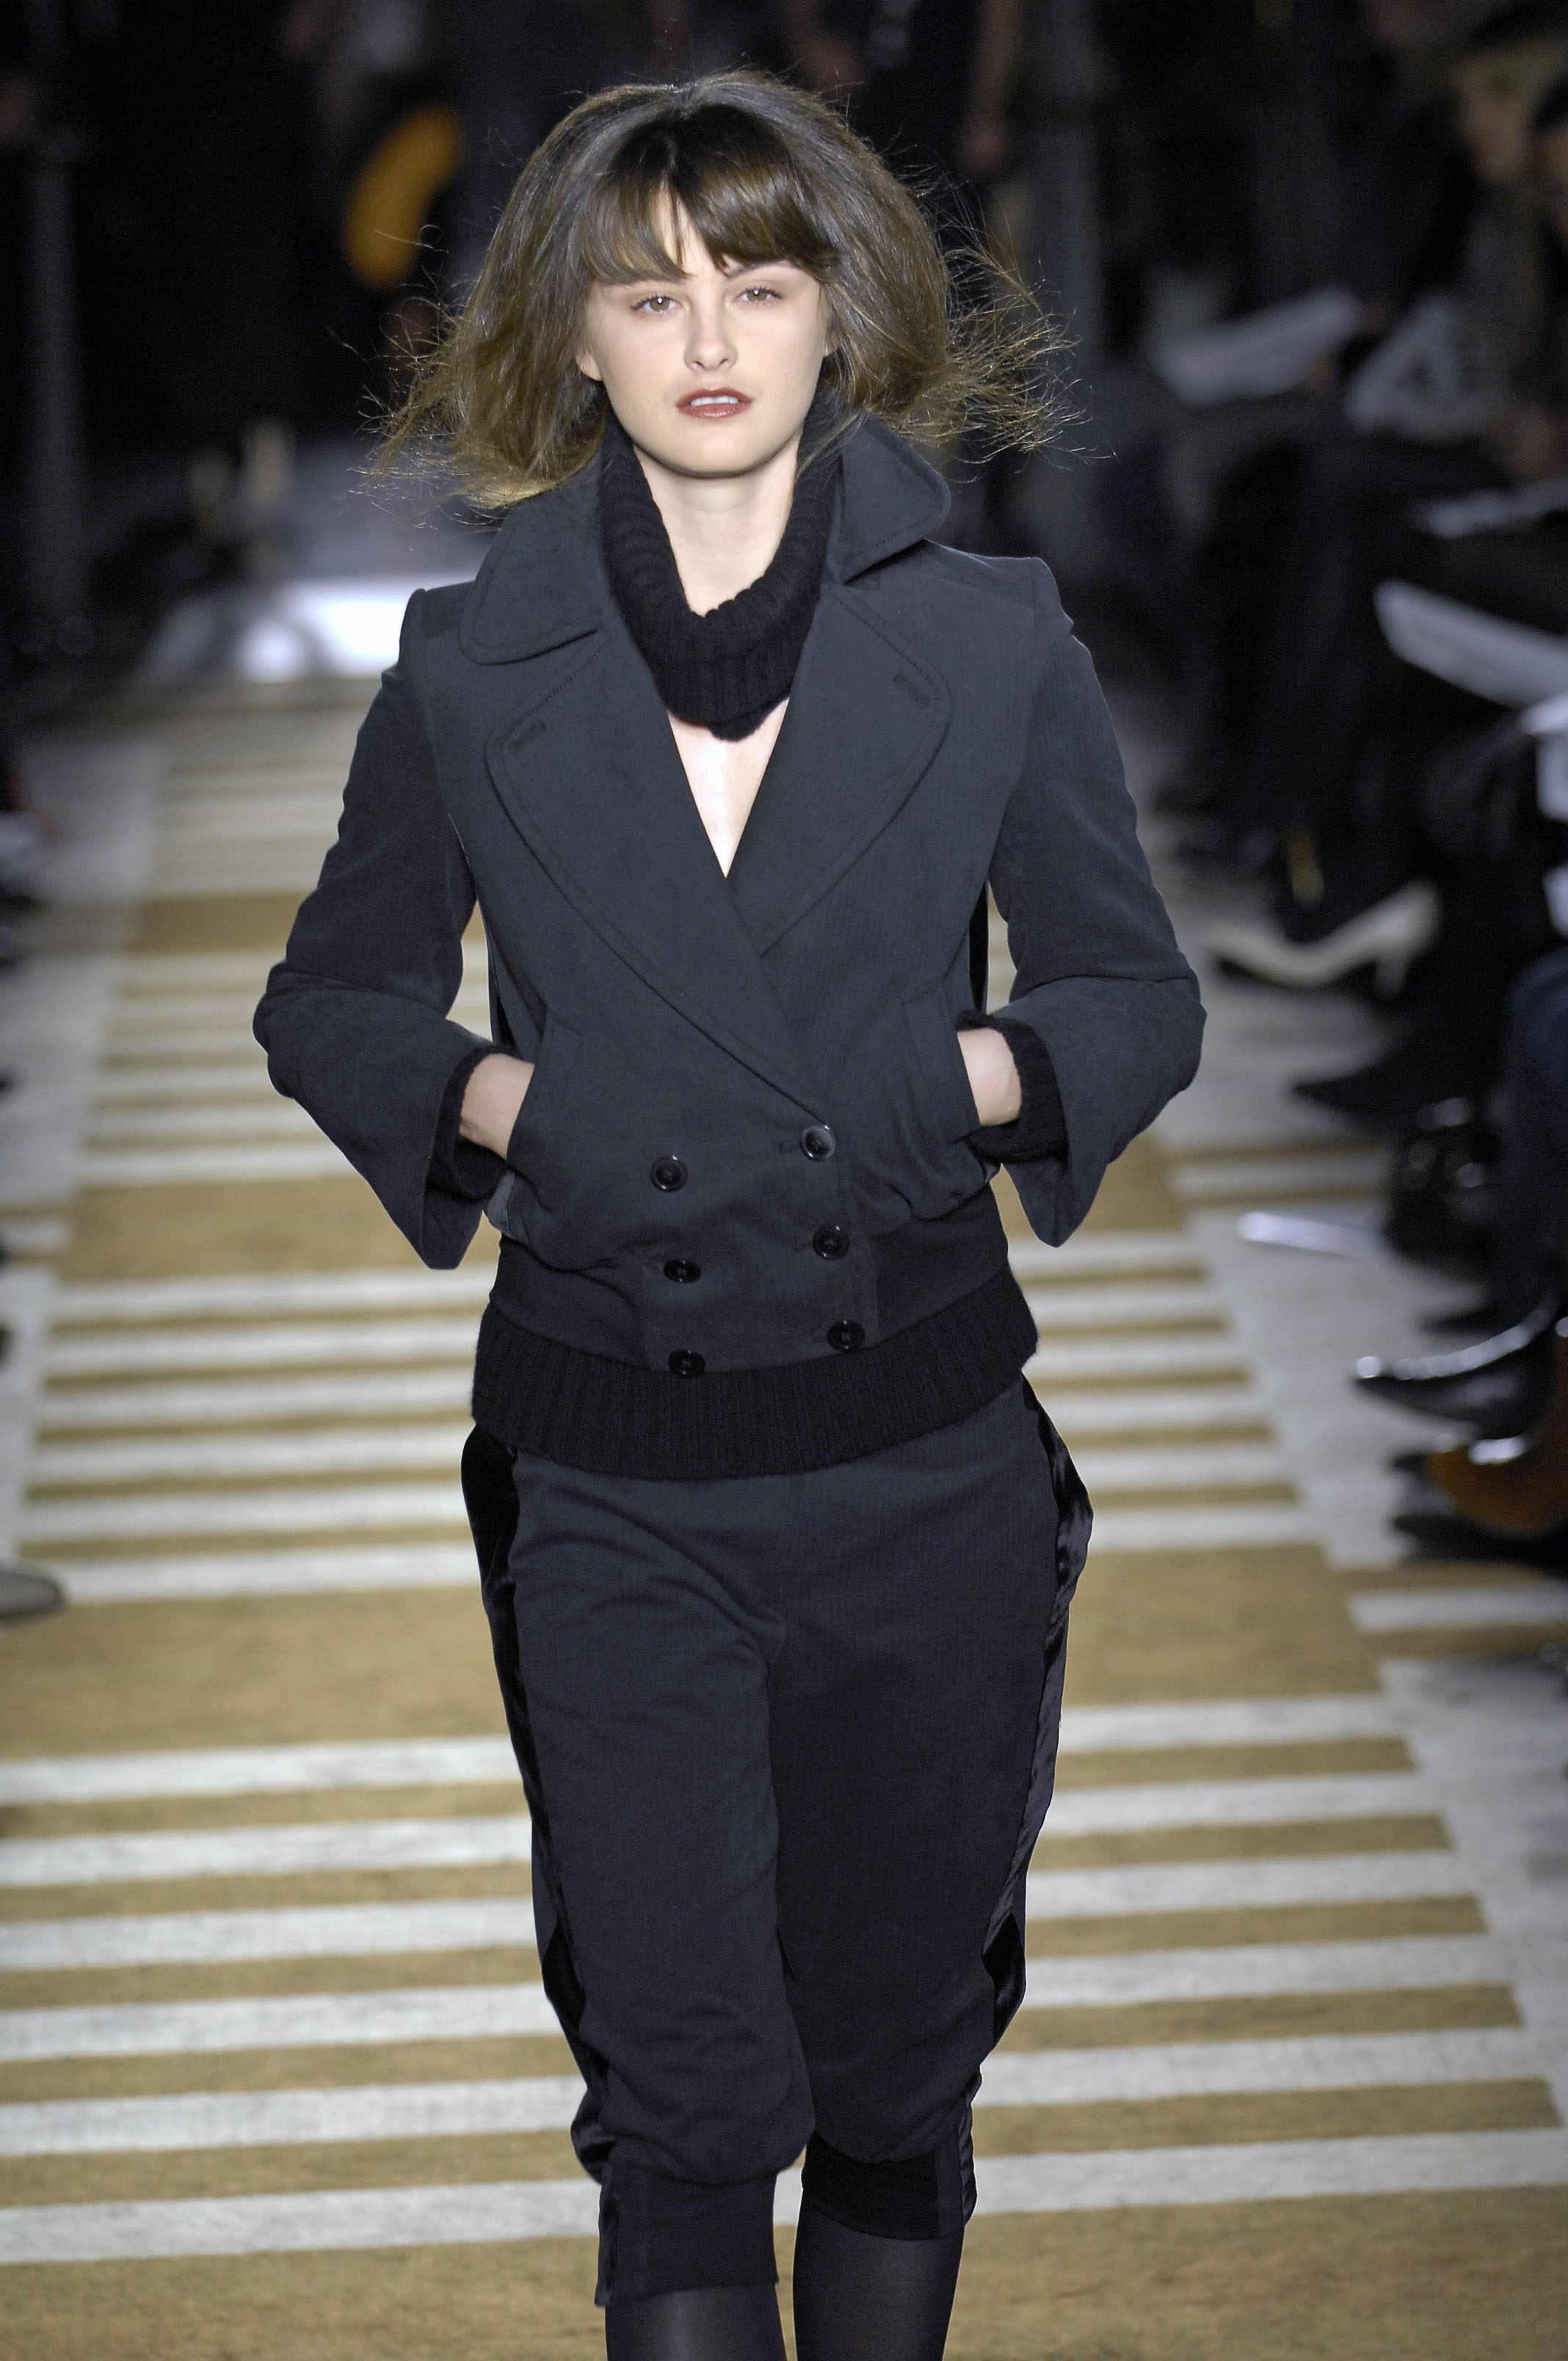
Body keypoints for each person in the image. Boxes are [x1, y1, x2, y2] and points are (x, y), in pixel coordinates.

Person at [254, 69, 1202, 2360]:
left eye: (758, 286)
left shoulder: (992, 642)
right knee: (679, 2097)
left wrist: (934, 1090)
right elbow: (334, 999)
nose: (707, 340)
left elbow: (1129, 993)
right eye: (649, 289)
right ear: (571, 333)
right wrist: (523, 1108)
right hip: (613, 1463)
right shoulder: (472, 666)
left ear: (840, 314)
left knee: (895, 2067)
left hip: (927, 1458)